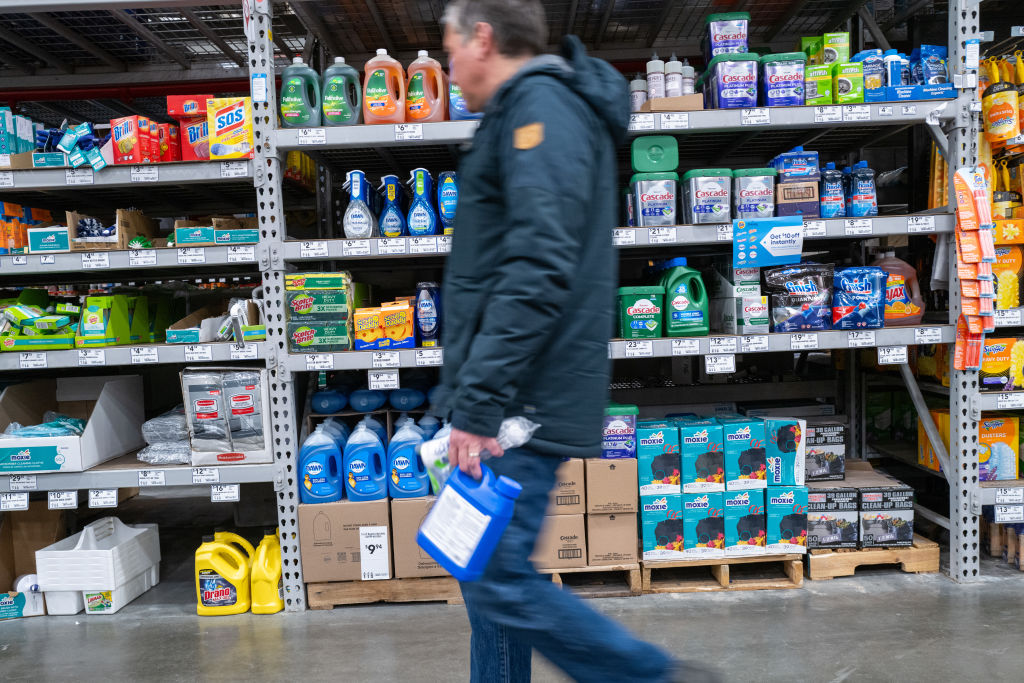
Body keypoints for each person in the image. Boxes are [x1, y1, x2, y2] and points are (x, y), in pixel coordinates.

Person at [432, 1, 717, 681]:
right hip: (508, 391)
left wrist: (478, 405)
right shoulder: (521, 113)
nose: (445, 67)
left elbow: (537, 267)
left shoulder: (542, 112)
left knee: (498, 575)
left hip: (522, 400)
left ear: (483, 36)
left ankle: (651, 677)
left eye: (448, 48)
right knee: (484, 572)